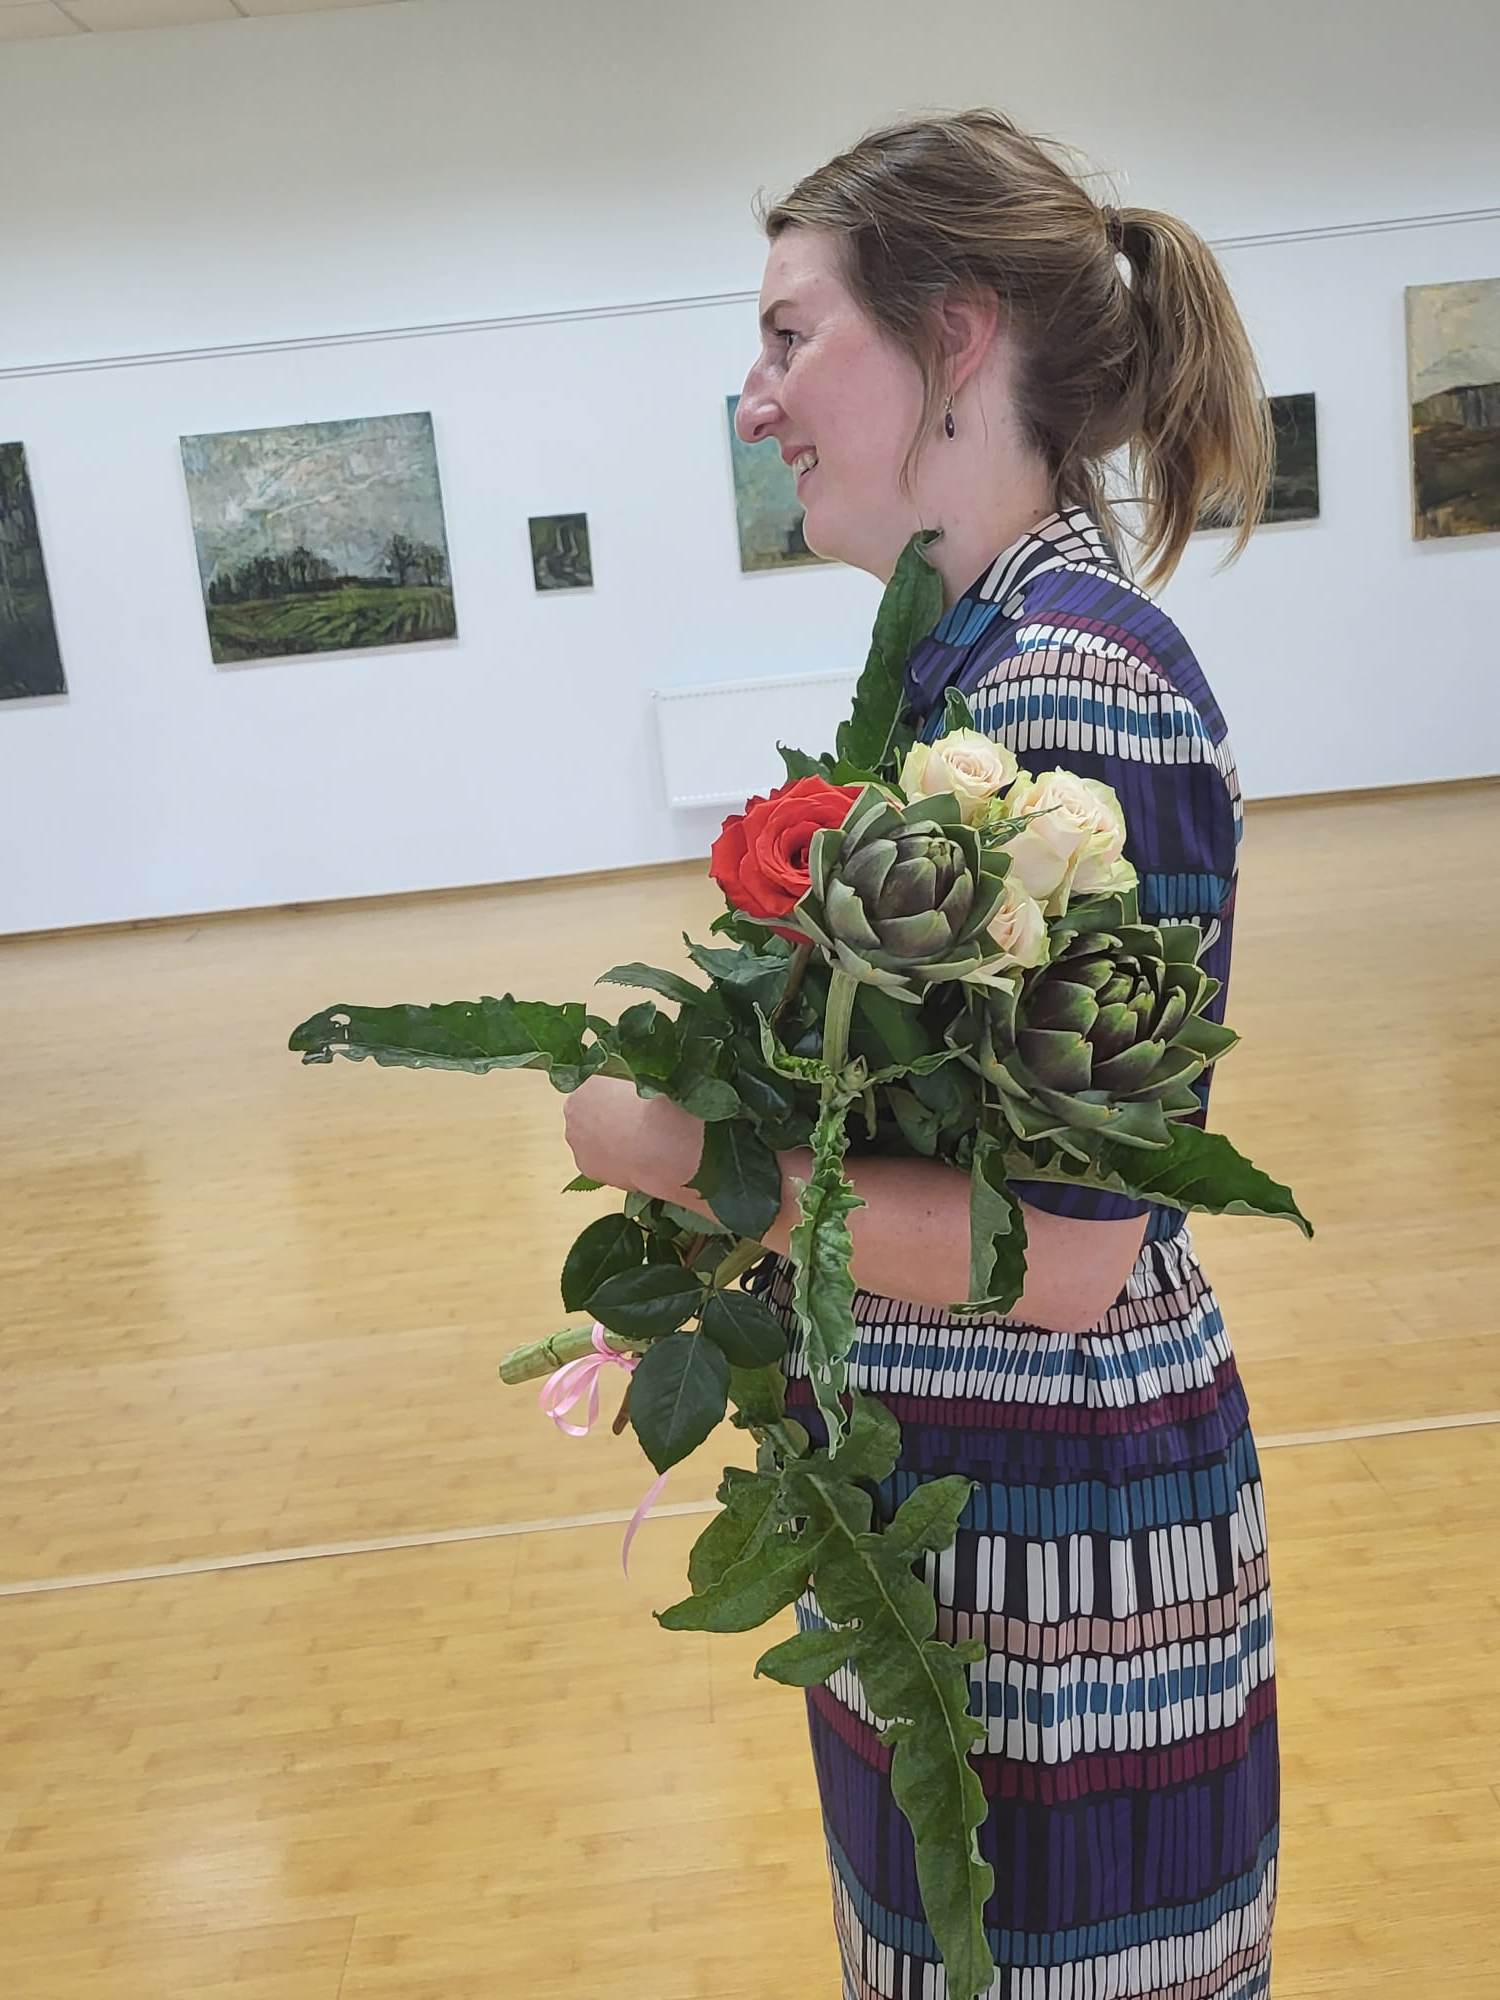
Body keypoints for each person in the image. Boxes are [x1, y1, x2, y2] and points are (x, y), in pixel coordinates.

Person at [566, 108, 1276, 2000]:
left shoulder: (1077, 690)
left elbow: (1072, 1254)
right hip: (967, 1520)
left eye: (790, 335)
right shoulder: (976, 663)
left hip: (1058, 1554)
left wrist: (682, 1157)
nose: (756, 401)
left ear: (954, 339)